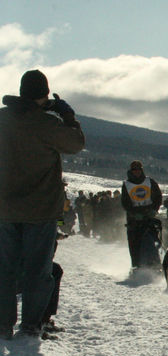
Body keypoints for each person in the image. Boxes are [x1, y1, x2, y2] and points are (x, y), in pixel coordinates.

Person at [0, 69, 85, 339]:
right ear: (43, 95)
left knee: (5, 270)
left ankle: (2, 325)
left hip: (3, 210)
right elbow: (76, 143)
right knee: (38, 271)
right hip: (40, 210)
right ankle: (31, 326)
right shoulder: (46, 123)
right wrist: (68, 116)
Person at [121, 160, 163, 271]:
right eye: (134, 170)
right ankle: (136, 266)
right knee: (135, 243)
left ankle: (156, 264)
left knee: (153, 240)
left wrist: (154, 209)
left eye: (139, 169)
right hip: (133, 220)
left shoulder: (149, 181)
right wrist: (133, 213)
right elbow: (125, 202)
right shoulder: (127, 185)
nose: (137, 172)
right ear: (131, 171)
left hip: (149, 216)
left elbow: (158, 196)